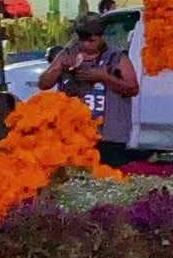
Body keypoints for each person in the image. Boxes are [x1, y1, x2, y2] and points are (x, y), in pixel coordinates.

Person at [39, 14, 139, 168]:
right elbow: (43, 83)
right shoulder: (68, 54)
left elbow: (132, 88)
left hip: (109, 137)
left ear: (101, 36)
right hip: (73, 136)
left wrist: (104, 77)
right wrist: (59, 68)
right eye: (82, 40)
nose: (86, 45)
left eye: (91, 41)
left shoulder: (116, 57)